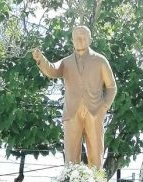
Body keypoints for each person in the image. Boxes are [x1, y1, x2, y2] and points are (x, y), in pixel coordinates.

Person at [32, 25, 117, 168]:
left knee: (96, 154)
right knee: (70, 156)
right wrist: (41, 59)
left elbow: (111, 87)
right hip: (72, 112)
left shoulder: (100, 61)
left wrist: (104, 108)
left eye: (83, 37)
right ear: (72, 40)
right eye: (76, 37)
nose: (80, 40)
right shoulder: (66, 62)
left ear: (90, 39)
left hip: (95, 111)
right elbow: (52, 70)